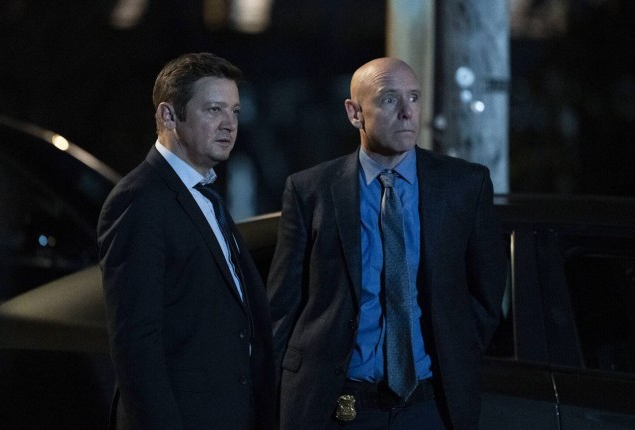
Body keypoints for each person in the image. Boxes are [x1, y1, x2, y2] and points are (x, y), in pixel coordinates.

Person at [267, 57, 507, 429]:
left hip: (430, 406)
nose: (407, 112)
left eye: (414, 98)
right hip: (336, 406)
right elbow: (283, 305)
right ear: (355, 113)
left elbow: (487, 292)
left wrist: (458, 348)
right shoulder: (310, 189)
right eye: (389, 99)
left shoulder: (463, 184)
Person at [97, 52, 275, 430]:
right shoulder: (139, 199)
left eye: (235, 111)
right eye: (214, 110)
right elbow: (135, 345)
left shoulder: (205, 194)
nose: (229, 124)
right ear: (168, 116)